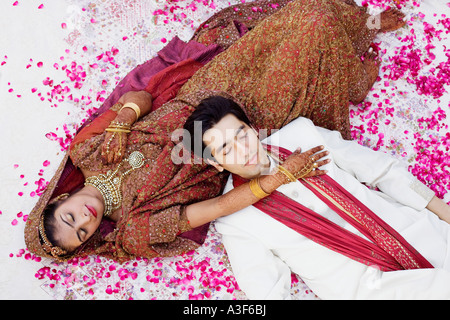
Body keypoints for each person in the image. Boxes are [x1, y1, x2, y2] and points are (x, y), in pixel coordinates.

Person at [24, 0, 405, 263]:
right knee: (315, 27)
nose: (85, 220)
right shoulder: (134, 229)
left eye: (70, 217)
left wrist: (124, 118)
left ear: (60, 199)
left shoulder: (88, 152)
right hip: (234, 130)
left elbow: (140, 95)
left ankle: (359, 35)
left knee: (310, 9)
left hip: (206, 90)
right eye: (82, 233)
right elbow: (217, 207)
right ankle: (352, 76)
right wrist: (278, 178)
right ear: (91, 239)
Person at [182, 95, 450, 299]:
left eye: (242, 134)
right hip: (371, 290)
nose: (244, 150)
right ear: (216, 164)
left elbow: (382, 170)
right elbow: (265, 289)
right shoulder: (235, 220)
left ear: (253, 128)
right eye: (227, 150)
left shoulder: (302, 134)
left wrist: (445, 214)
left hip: (425, 236)